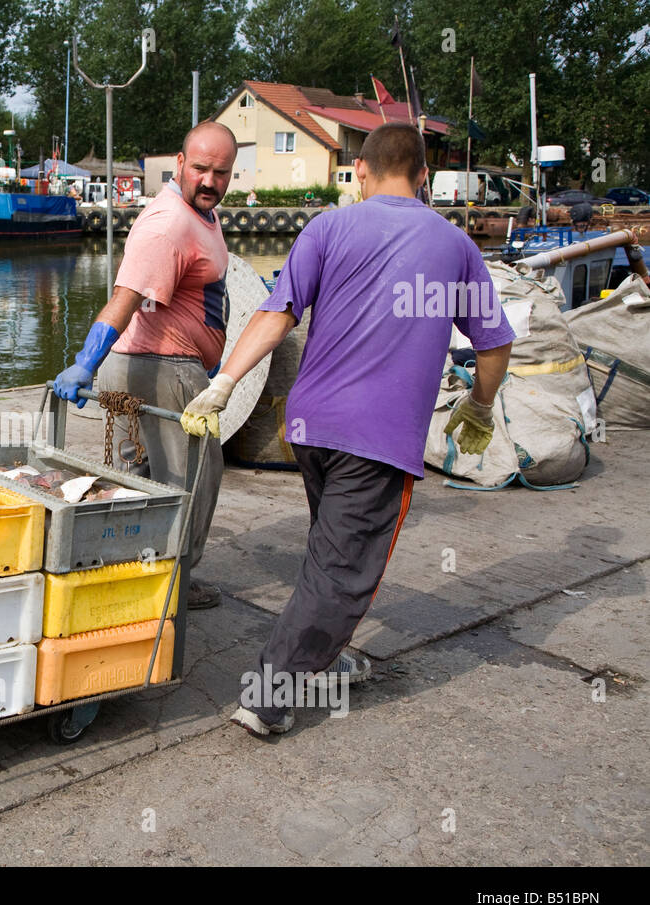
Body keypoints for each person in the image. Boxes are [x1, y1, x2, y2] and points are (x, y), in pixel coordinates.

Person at [180, 122, 516, 736]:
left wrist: (224, 382)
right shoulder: (454, 245)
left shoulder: (327, 228)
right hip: (378, 439)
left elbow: (275, 312)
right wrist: (482, 405)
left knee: (330, 550)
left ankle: (327, 657)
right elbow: (493, 344)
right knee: (343, 571)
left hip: (308, 428)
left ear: (360, 172)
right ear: (423, 178)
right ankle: (268, 693)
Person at [53, 121, 237, 611]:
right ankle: (172, 584)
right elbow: (126, 299)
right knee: (190, 481)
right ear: (179, 164)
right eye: (200, 168)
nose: (209, 181)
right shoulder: (168, 225)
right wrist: (84, 364)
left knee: (134, 479)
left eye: (220, 172)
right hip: (163, 372)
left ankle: (128, 573)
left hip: (156, 367)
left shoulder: (197, 215)